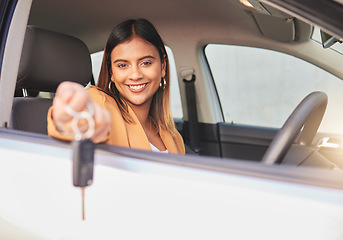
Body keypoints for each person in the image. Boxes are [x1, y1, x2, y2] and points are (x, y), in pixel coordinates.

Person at [47, 18, 185, 154]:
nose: (135, 75)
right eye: (123, 65)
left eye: (146, 63)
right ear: (111, 72)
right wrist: (68, 119)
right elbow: (80, 121)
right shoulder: (99, 102)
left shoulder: (175, 138)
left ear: (163, 67)